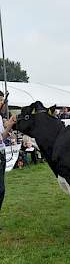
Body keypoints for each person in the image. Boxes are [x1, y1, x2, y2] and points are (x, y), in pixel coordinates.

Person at [0, 91, 17, 219]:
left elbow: (3, 136)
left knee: (1, 190)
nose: (3, 103)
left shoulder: (0, 117)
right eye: (0, 100)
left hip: (2, 154)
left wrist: (9, 125)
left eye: (3, 100)